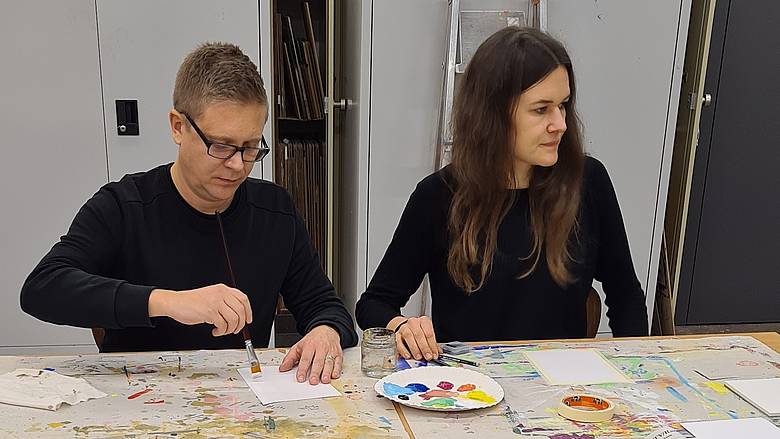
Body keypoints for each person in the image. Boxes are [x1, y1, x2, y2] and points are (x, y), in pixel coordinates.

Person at [21, 42, 356, 385]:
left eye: (250, 147)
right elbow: (42, 289)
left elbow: (325, 305)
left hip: (242, 397)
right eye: (221, 146)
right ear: (178, 127)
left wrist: (326, 331)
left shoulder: (275, 210)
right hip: (139, 396)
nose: (237, 165)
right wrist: (166, 302)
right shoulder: (123, 206)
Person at [355, 27, 648, 362]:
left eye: (563, 105)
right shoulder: (438, 196)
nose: (560, 124)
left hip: (564, 384)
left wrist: (636, 370)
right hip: (469, 383)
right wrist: (402, 326)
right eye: (541, 109)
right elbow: (373, 304)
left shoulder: (588, 181)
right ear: (493, 114)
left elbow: (626, 296)